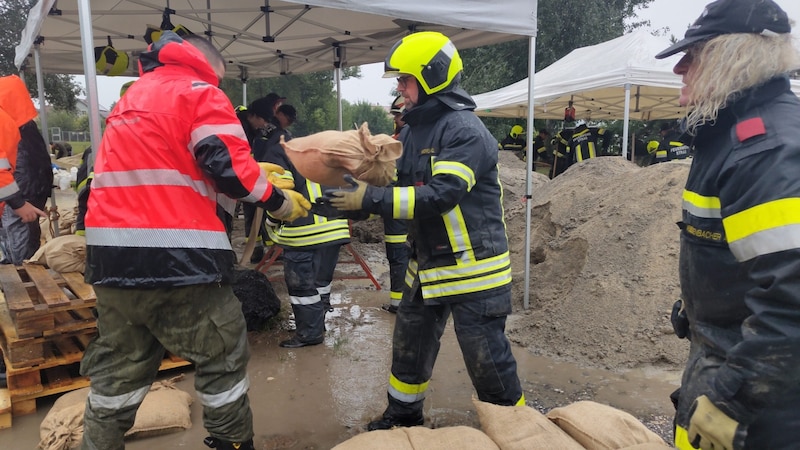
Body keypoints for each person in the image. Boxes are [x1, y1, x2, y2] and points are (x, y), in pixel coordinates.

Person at [80, 31, 310, 450]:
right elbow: (226, 167)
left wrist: (252, 170)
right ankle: (232, 443)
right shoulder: (200, 91)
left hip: (110, 259)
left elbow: (173, 163)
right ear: (209, 65)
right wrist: (278, 201)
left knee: (118, 369)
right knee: (221, 357)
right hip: (177, 256)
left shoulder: (132, 97)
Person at [323, 31, 524, 430]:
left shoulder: (464, 131)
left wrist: (370, 200)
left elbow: (440, 196)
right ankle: (402, 416)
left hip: (473, 270)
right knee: (409, 347)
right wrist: (322, 202)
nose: (399, 87)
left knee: (487, 362)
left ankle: (515, 430)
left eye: (405, 79)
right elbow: (399, 191)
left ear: (432, 77)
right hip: (427, 265)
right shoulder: (413, 131)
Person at [654, 1, 800, 449]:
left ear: (733, 57)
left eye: (692, 55)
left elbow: (792, 302)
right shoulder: (729, 138)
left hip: (763, 412)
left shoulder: (765, 151)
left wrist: (730, 402)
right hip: (723, 362)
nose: (679, 68)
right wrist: (701, 308)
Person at [259, 108, 351, 348]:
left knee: (302, 288)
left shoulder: (276, 152)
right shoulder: (320, 150)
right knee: (321, 282)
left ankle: (310, 334)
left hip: (304, 232)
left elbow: (280, 193)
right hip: (336, 228)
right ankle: (318, 322)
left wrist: (270, 228)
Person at [0, 75, 49, 264]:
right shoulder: (23, 129)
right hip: (20, 197)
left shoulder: (15, 127)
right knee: (22, 253)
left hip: (17, 197)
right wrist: (18, 202)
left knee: (17, 249)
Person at [241, 93, 286, 263]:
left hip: (253, 174)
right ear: (252, 115)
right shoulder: (240, 128)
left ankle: (262, 250)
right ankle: (256, 250)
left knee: (259, 211)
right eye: (263, 120)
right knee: (252, 211)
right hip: (244, 176)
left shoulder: (253, 127)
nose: (264, 125)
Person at [381, 95, 410, 314]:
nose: (397, 119)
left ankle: (399, 304)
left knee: (399, 255)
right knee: (403, 256)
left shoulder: (403, 142)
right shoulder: (400, 139)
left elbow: (392, 177)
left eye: (400, 114)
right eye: (396, 115)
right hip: (404, 206)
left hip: (399, 208)